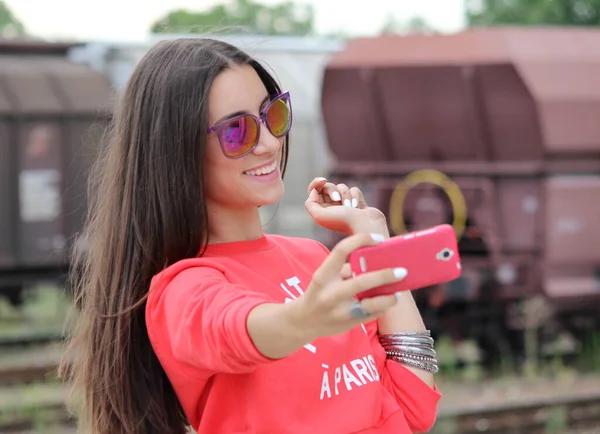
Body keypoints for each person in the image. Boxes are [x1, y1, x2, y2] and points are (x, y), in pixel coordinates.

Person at [59, 37, 442, 434]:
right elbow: (235, 329)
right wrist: (305, 318)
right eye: (237, 131)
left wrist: (375, 237)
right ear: (178, 151)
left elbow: (414, 408)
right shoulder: (183, 291)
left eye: (272, 115)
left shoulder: (313, 258)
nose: (270, 143)